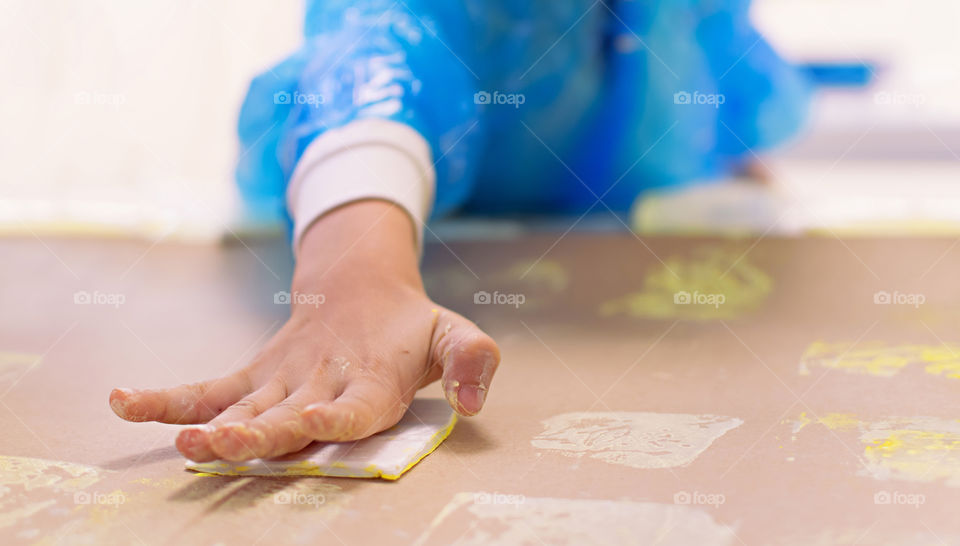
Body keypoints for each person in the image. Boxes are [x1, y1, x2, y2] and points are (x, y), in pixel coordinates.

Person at [108, 0, 810, 462]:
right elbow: (373, 66)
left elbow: (722, 80)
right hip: (395, 210)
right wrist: (356, 279)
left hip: (604, 222)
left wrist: (740, 179)